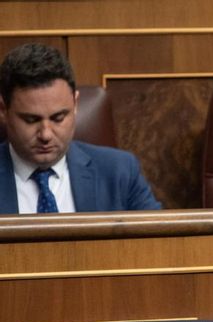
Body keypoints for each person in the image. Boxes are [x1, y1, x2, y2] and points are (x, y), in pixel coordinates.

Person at [0, 43, 161, 214]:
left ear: (75, 104)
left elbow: (159, 239)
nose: (46, 134)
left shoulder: (120, 171)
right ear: (3, 110)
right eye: (31, 120)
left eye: (58, 118)